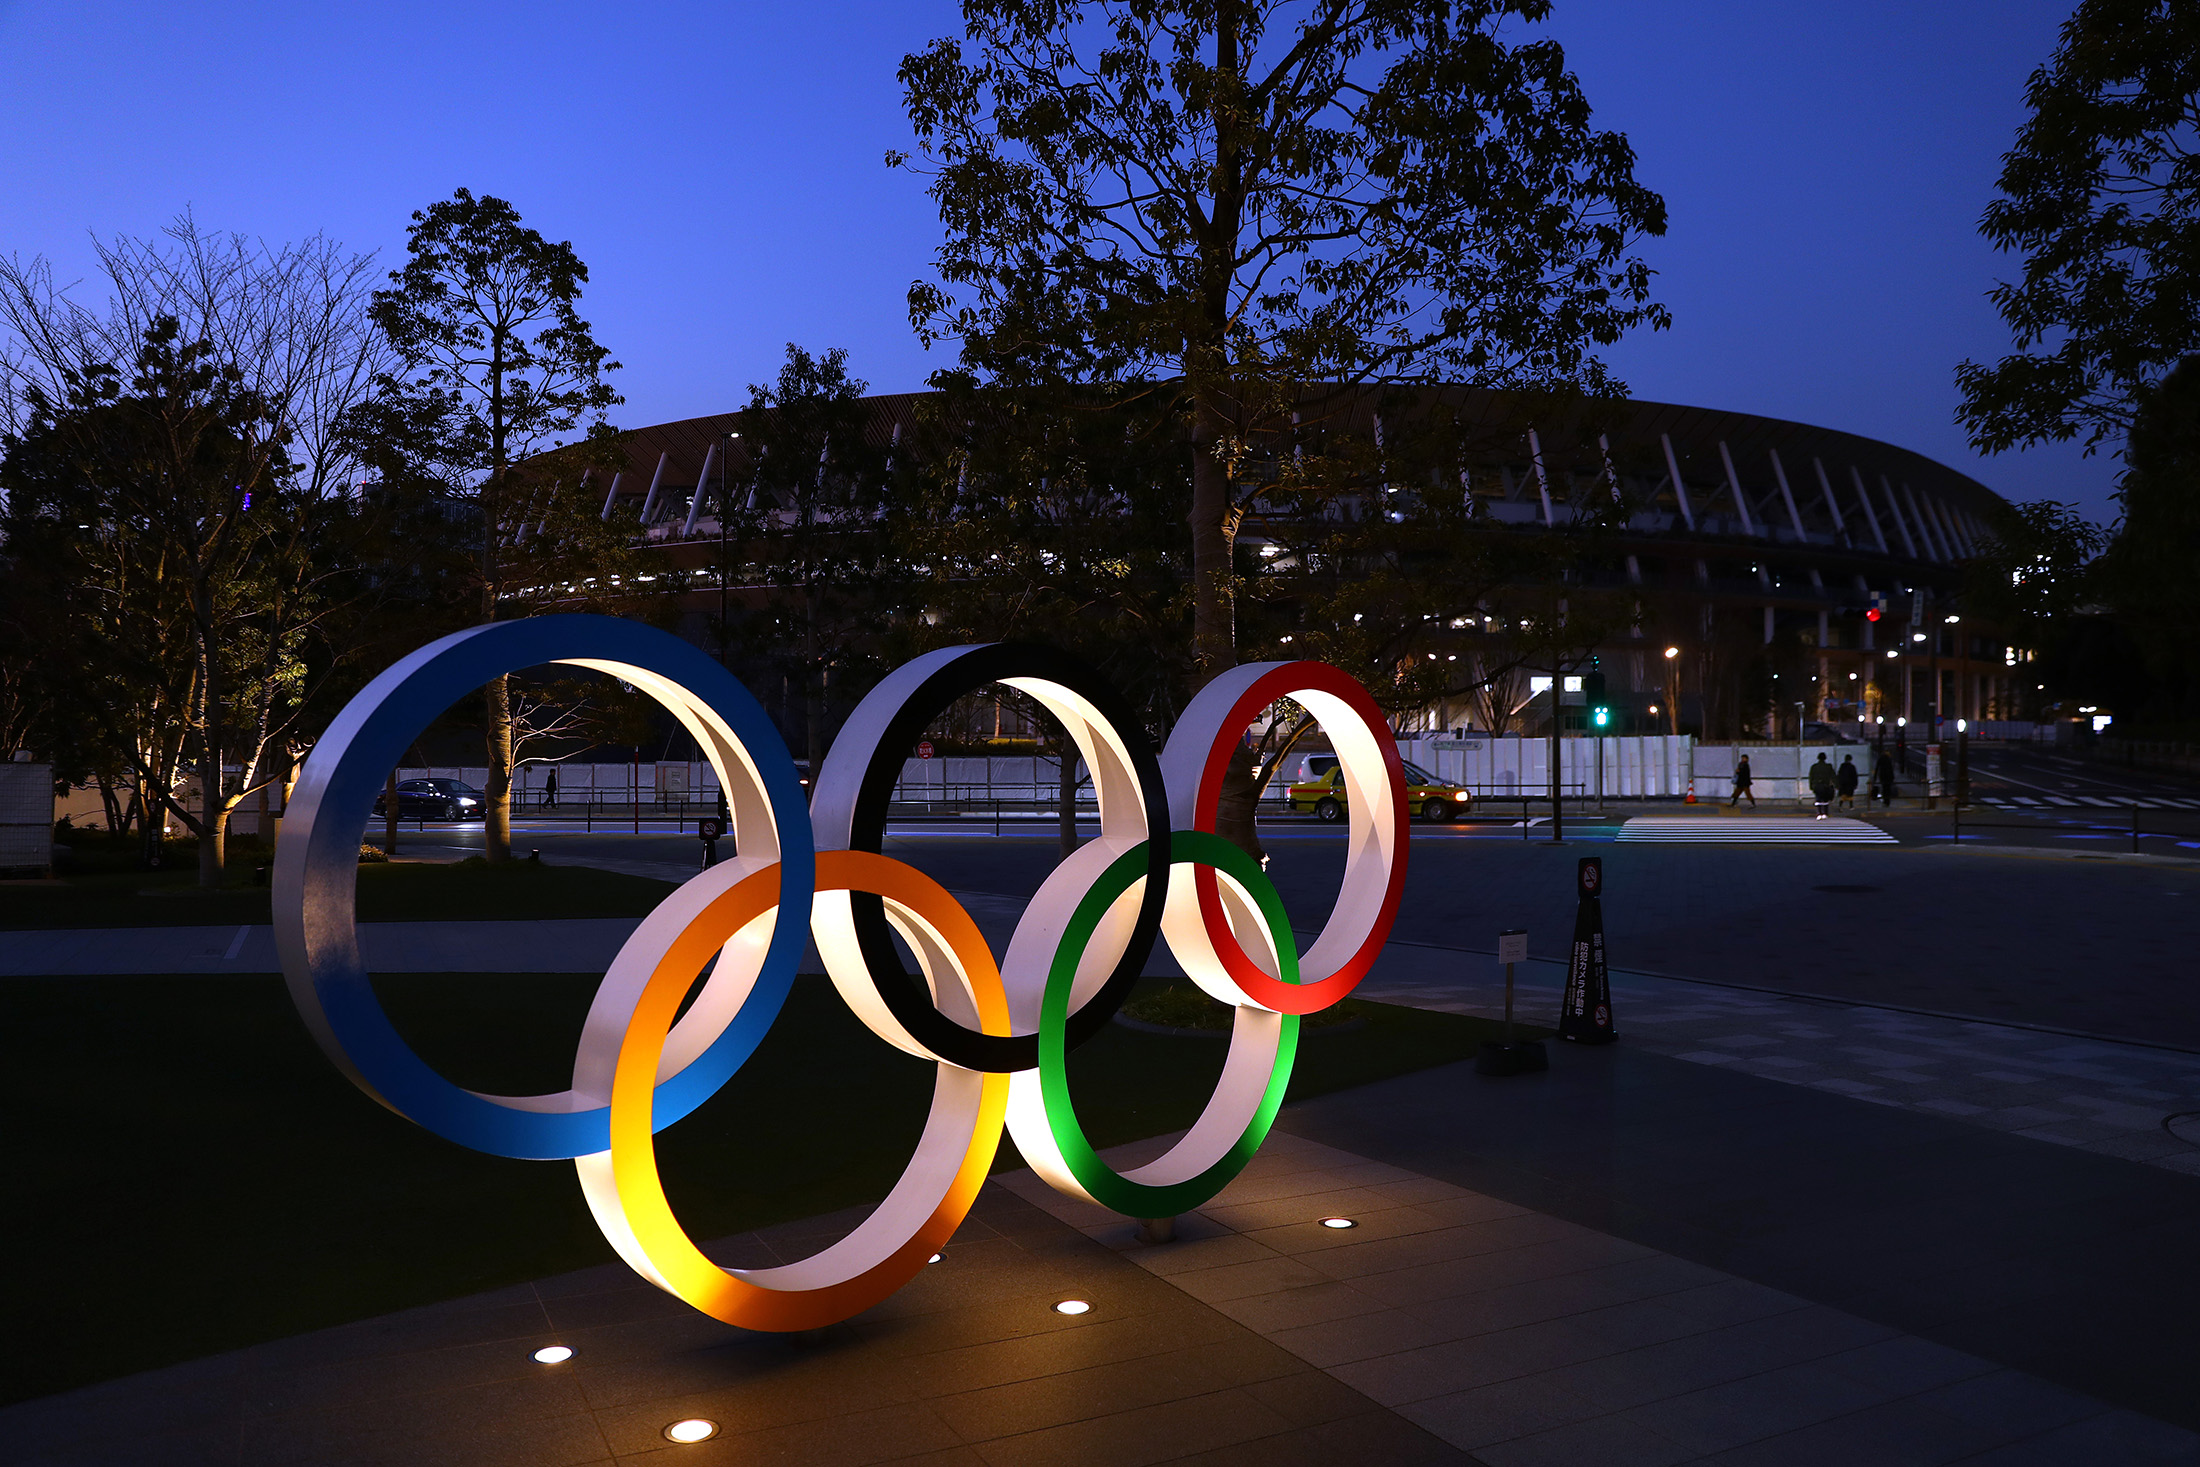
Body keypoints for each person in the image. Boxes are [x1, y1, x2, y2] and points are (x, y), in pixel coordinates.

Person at [1807, 752, 1835, 820]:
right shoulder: (1828, 766)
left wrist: (1811, 786)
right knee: (1825, 800)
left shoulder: (1814, 767)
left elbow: (1811, 777)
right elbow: (1833, 776)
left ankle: (1819, 813)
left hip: (1817, 785)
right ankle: (1825, 813)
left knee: (1818, 799)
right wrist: (1835, 784)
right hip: (1826, 785)